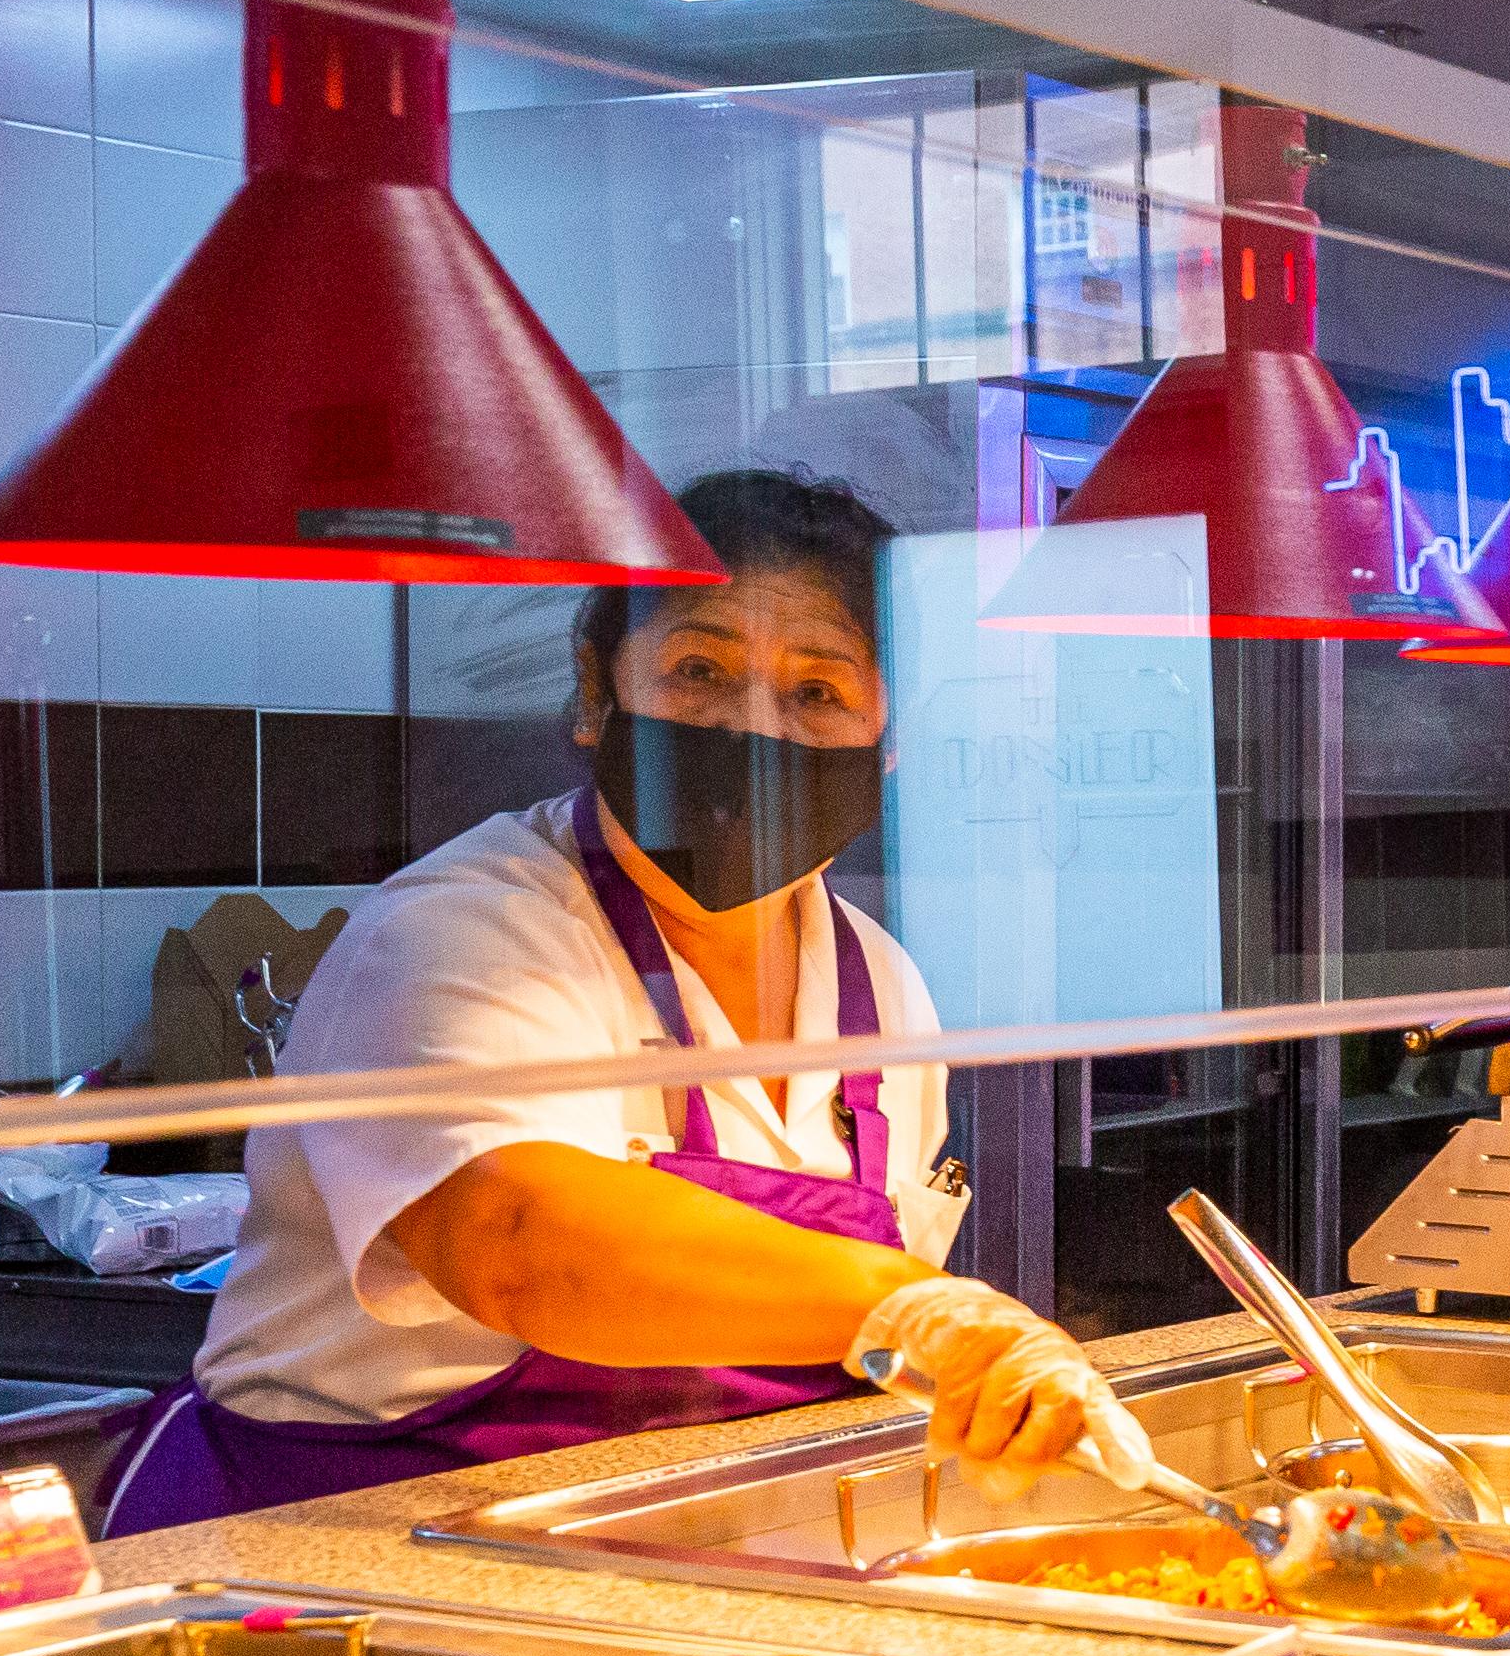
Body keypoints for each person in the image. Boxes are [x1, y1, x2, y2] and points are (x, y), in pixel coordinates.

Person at [101, 466, 1147, 1531]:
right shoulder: (461, 930)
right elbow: (515, 1239)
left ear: (888, 746)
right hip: (353, 1544)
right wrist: (916, 1306)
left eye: (817, 692)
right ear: (597, 694)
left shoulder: (880, 983)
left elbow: (842, 1349)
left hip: (693, 1545)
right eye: (700, 670)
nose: (755, 731)